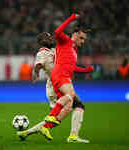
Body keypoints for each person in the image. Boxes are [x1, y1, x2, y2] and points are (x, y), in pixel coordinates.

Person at [17, 30, 92, 143]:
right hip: (54, 85)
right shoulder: (42, 53)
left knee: (70, 110)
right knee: (71, 110)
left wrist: (85, 70)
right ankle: (72, 136)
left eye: (50, 37)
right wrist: (36, 72)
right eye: (47, 38)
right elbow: (38, 64)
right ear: (42, 42)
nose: (51, 39)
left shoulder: (55, 50)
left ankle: (26, 132)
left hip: (62, 82)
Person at [41, 13, 92, 142]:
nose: (83, 41)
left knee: (68, 107)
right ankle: (51, 117)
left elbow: (73, 68)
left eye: (84, 39)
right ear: (75, 35)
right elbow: (57, 31)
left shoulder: (74, 51)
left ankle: (47, 128)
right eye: (81, 38)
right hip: (59, 75)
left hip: (66, 77)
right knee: (70, 95)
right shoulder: (66, 41)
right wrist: (71, 18)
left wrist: (86, 70)